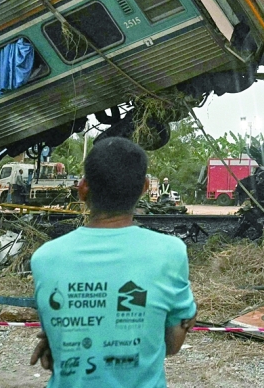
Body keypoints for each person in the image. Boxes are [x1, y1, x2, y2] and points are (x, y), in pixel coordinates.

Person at [30, 138, 197, 387]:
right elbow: (172, 345)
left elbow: (58, 337)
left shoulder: (44, 258)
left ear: (83, 188)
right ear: (144, 187)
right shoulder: (169, 252)